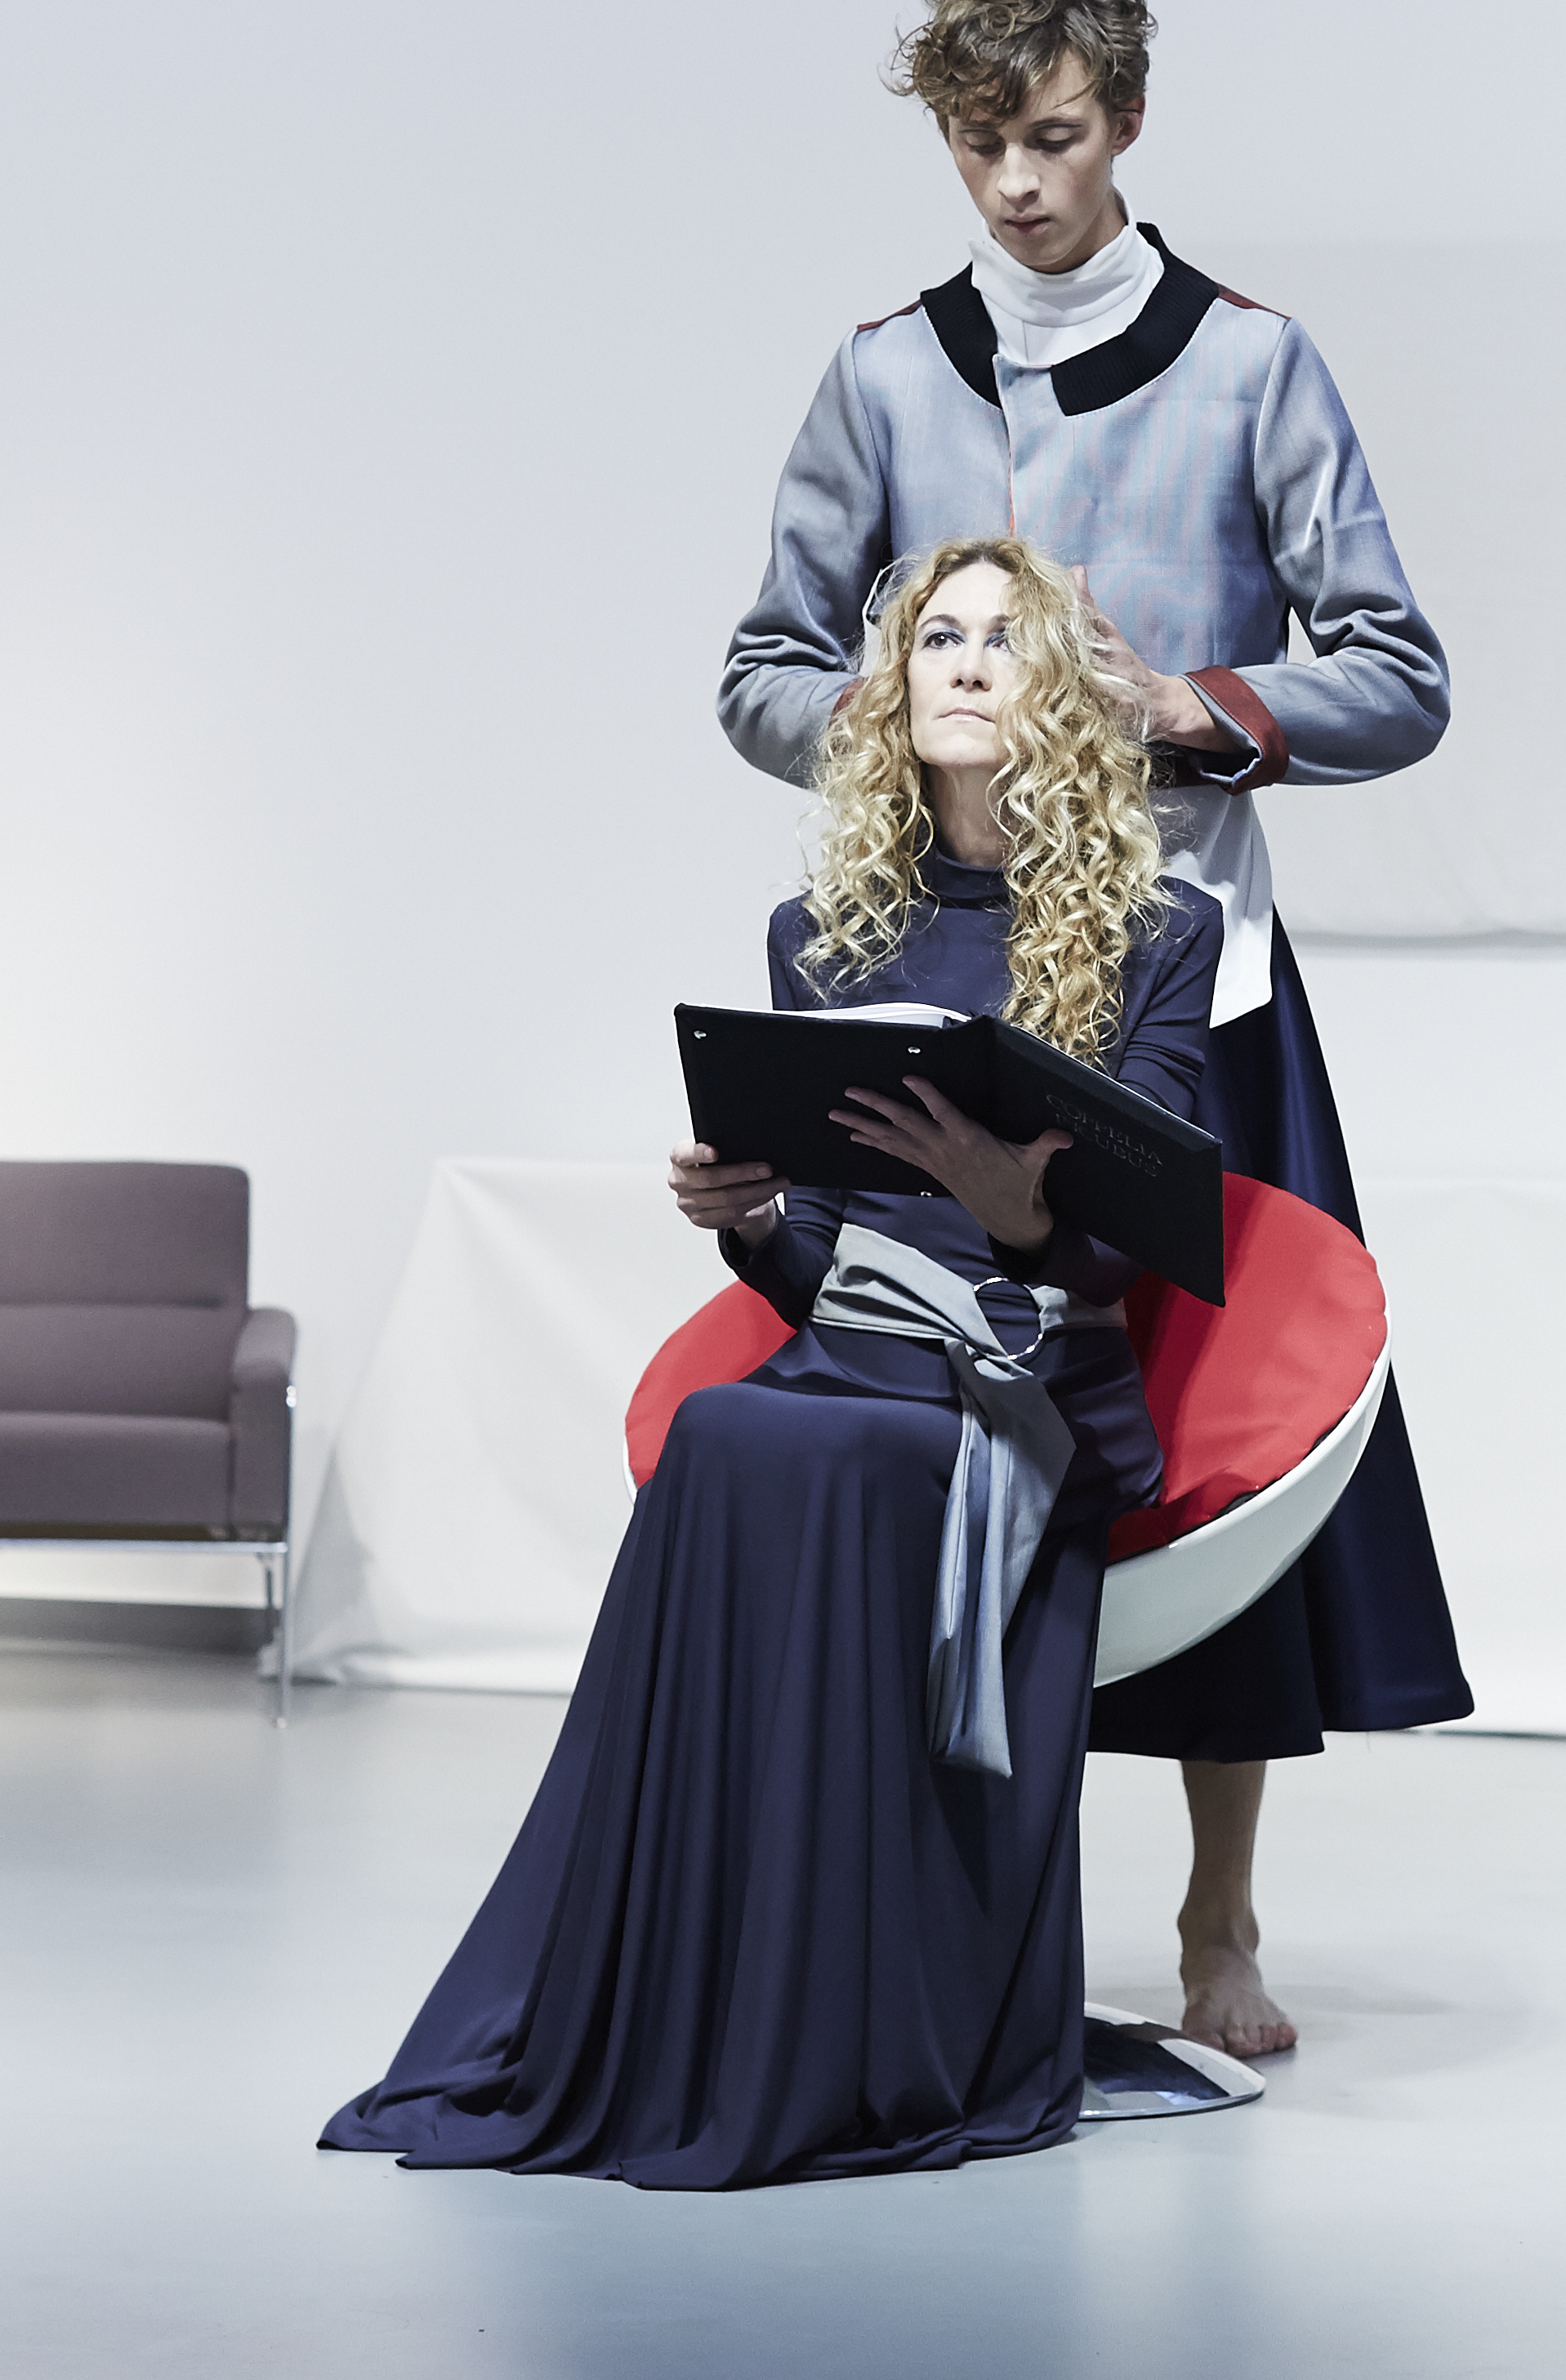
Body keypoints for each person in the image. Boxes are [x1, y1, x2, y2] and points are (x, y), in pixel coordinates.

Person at [719, 0, 1474, 2062]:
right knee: (929, 1405)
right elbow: (761, 665)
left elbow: (1398, 673)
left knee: (1212, 1435)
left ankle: (1218, 1911)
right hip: (939, 977)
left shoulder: (1250, 367)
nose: (1015, 183)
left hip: (1185, 979)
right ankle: (949, 1897)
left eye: (1050, 137)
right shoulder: (880, 375)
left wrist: (1180, 708)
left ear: (1124, 121)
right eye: (977, 144)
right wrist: (909, 717)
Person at [319, 537, 1221, 2188]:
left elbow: (1138, 1245)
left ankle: (849, 2015)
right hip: (853, 1359)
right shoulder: (820, 933)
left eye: (1002, 640)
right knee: (733, 1429)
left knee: (791, 1444)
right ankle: (700, 1991)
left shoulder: (1159, 931)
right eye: (934, 637)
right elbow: (822, 1264)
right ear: (891, 685)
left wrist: (1013, 1207)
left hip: (1020, 1380)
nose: (963, 662)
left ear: (1061, 690)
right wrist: (745, 1221)